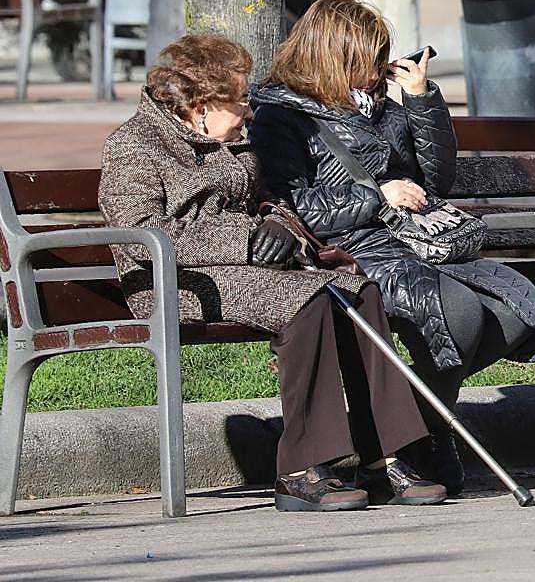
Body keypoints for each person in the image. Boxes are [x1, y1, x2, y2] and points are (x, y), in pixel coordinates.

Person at [98, 34, 446, 512]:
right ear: (202, 104)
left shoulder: (234, 141)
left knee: (358, 288)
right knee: (306, 302)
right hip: (175, 281)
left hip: (249, 272)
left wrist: (279, 224)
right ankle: (302, 469)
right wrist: (243, 238)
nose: (249, 111)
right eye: (241, 100)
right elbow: (138, 233)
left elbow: (270, 201)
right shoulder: (133, 145)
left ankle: (386, 454)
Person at [249, 0, 535, 498]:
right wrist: (376, 195)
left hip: (416, 244)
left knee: (518, 312)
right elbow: (295, 208)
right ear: (334, 56)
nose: (377, 68)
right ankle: (413, 439)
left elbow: (437, 180)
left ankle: (413, 433)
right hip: (352, 252)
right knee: (458, 313)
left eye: (380, 55)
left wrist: (420, 100)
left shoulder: (377, 108)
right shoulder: (283, 117)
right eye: (368, 57)